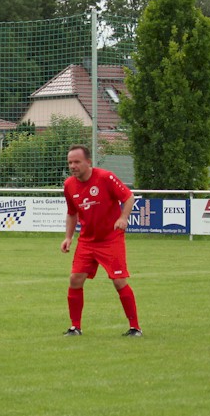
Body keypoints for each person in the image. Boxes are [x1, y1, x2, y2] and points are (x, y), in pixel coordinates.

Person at [60, 144, 142, 337]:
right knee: (75, 279)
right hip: (87, 241)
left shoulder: (105, 177)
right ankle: (75, 327)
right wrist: (68, 237)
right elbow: (72, 213)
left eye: (77, 162)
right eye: (70, 162)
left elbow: (128, 197)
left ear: (88, 162)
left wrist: (123, 218)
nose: (73, 166)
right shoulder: (69, 185)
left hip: (111, 239)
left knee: (119, 281)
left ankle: (135, 328)